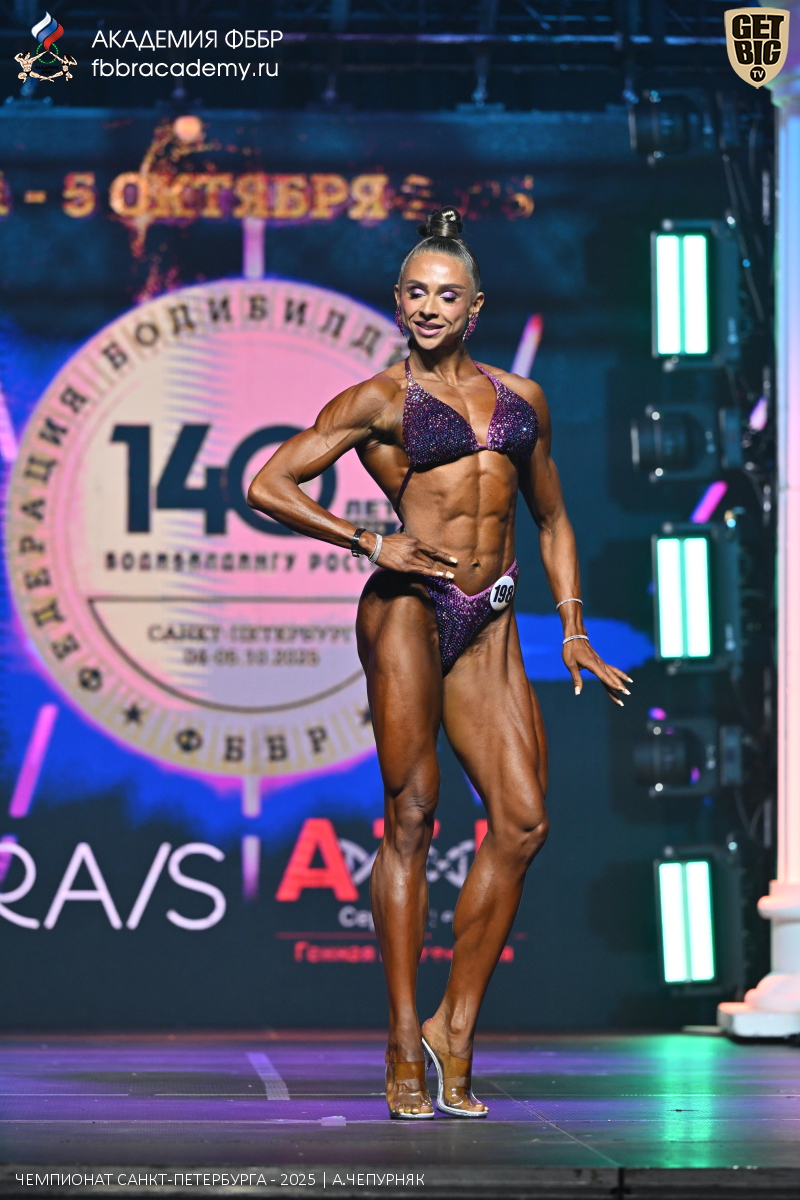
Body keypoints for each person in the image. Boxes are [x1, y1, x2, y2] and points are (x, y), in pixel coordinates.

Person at [247, 208, 632, 1120]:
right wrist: (365, 539)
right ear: (398, 302)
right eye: (416, 293)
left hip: (490, 618)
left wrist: (572, 626)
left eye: (446, 295)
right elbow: (266, 483)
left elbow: (551, 519)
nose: (429, 307)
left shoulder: (522, 400)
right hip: (408, 612)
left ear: (474, 307)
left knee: (524, 822)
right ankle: (399, 1037)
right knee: (413, 816)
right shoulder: (380, 401)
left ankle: (453, 1027)